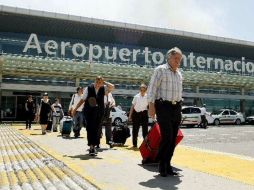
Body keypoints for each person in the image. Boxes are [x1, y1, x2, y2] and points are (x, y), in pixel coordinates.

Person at [147, 47, 183, 177]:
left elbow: (179, 92)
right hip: (163, 107)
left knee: (173, 138)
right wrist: (151, 105)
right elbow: (152, 89)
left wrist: (180, 109)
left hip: (176, 108)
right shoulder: (160, 70)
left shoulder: (179, 73)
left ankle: (168, 164)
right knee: (167, 137)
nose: (178, 61)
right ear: (169, 57)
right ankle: (162, 165)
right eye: (176, 58)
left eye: (180, 59)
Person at [72, 76, 114, 156]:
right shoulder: (89, 88)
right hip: (89, 112)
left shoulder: (103, 88)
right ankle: (91, 147)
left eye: (100, 82)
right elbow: (83, 99)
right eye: (97, 82)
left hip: (99, 112)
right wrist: (75, 109)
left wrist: (104, 82)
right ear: (95, 81)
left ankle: (93, 146)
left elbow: (112, 87)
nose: (98, 84)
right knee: (90, 128)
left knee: (97, 129)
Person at [128, 84, 149, 148]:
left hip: (144, 113)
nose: (142, 91)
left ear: (146, 90)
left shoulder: (148, 97)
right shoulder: (136, 97)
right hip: (136, 113)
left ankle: (145, 144)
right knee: (135, 129)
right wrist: (130, 116)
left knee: (145, 130)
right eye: (141, 90)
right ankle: (135, 144)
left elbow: (150, 106)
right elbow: (132, 107)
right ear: (139, 90)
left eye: (144, 90)